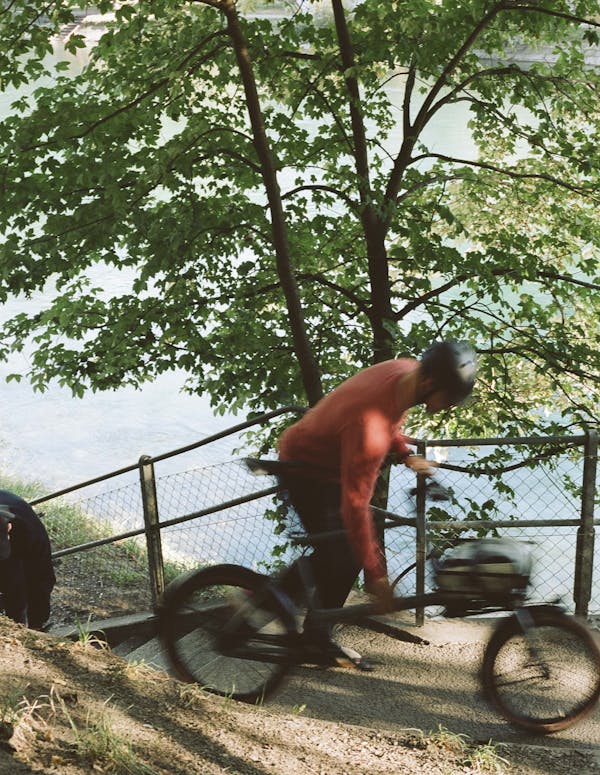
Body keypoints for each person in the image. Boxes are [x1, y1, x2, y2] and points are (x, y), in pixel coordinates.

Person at [277, 340, 477, 670]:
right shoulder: (367, 427)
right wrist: (377, 578)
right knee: (342, 552)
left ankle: (310, 632)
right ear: (429, 384)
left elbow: (390, 419)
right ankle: (270, 605)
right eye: (451, 398)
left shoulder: (407, 372)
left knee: (341, 552)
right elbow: (355, 506)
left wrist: (405, 452)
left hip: (329, 458)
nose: (452, 406)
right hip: (306, 467)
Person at [0, 490, 56, 630]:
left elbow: (41, 579)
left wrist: (34, 623)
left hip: (24, 539)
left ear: (8, 528)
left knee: (31, 585)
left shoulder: (30, 533)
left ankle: (30, 625)